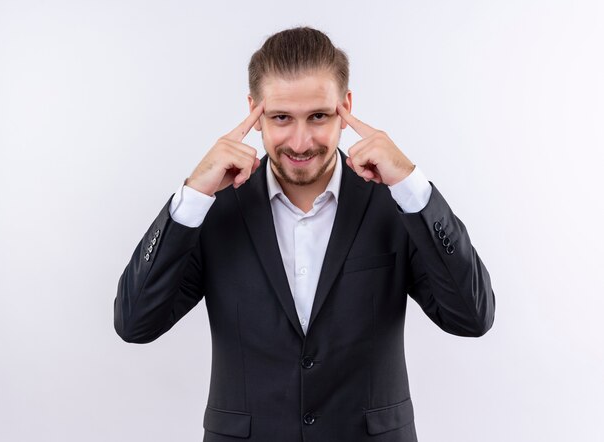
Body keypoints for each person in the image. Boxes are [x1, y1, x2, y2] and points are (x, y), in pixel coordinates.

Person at [114, 26, 495, 442]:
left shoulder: (396, 202)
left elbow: (472, 317)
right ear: (254, 111)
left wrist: (413, 186)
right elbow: (135, 323)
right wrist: (191, 197)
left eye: (318, 116)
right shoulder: (213, 210)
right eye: (281, 118)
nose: (300, 141)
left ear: (345, 107)